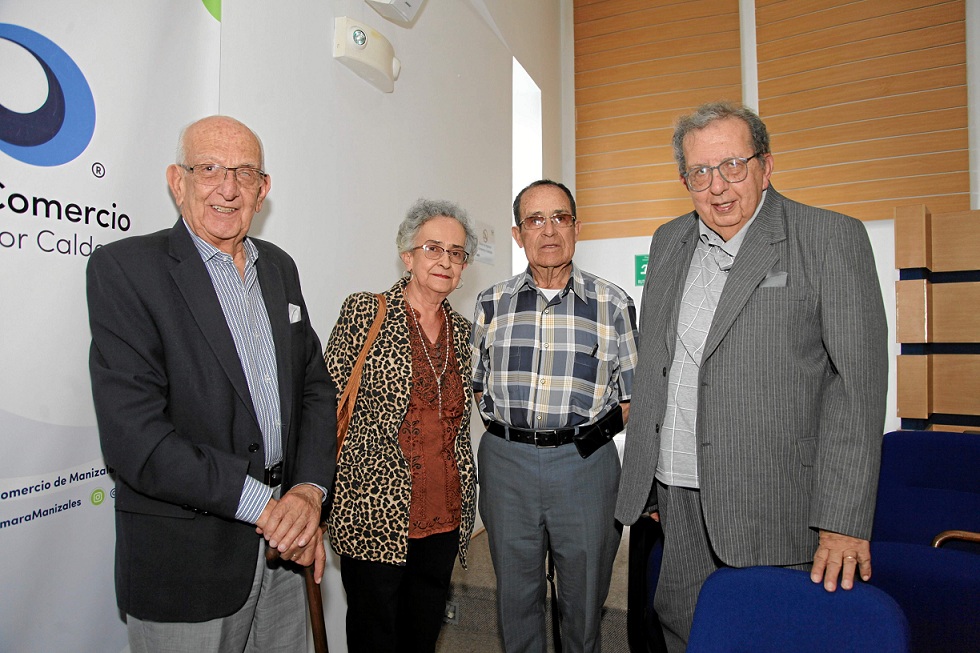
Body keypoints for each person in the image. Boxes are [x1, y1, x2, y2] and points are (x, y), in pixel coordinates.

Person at [616, 101, 888, 651]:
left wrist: (842, 518)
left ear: (766, 165)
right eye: (699, 172)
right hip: (678, 492)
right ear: (685, 179)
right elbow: (662, 363)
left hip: (775, 500)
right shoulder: (670, 240)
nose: (717, 186)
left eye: (733, 166)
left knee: (768, 634)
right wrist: (647, 473)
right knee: (683, 625)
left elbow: (857, 385)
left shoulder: (829, 238)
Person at [87, 115, 335, 652]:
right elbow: (137, 442)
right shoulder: (125, 270)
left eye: (245, 173)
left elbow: (314, 385)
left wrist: (308, 492)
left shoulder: (279, 268)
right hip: (186, 564)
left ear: (263, 190)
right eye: (209, 169)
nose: (228, 187)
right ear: (177, 181)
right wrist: (264, 506)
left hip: (284, 551)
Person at [471, 179, 639, 652]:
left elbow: (635, 394)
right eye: (535, 220)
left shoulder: (612, 304)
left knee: (584, 598)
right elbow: (478, 381)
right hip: (507, 466)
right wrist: (508, 435)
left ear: (577, 228)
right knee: (515, 597)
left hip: (585, 467)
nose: (549, 230)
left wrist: (588, 438)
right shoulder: (491, 304)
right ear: (517, 233)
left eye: (560, 218)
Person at [323, 198, 478, 653]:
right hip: (372, 512)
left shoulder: (466, 334)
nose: (445, 261)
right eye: (434, 248)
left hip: (444, 516)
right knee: (374, 635)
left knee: (422, 634)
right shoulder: (365, 313)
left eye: (456, 252)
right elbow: (326, 404)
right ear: (407, 256)